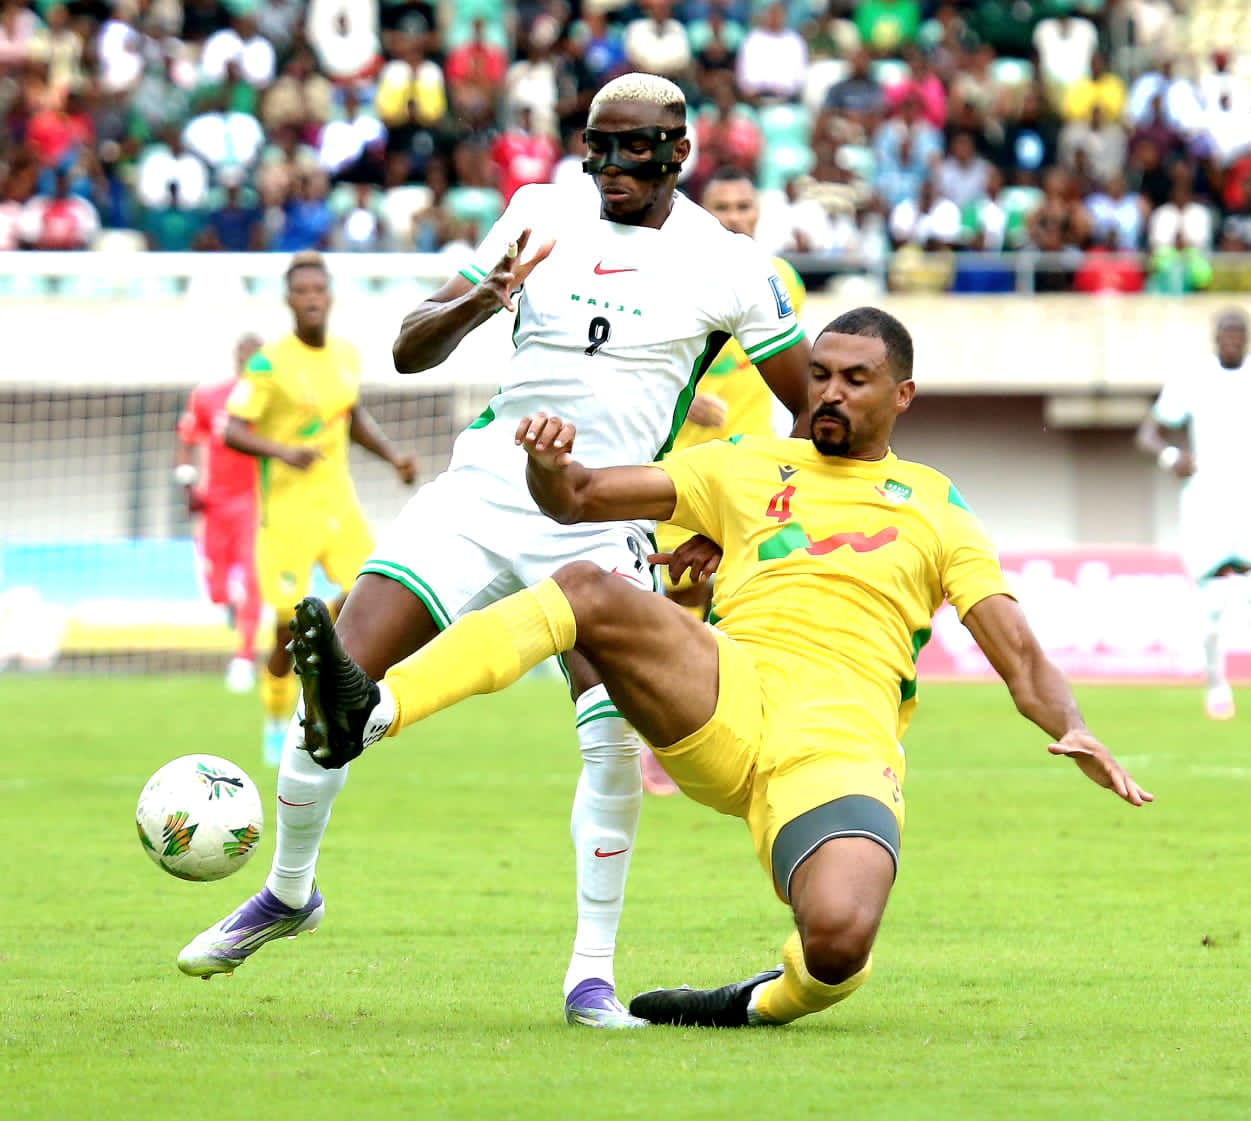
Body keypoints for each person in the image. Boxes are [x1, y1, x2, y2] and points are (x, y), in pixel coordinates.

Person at [282, 305, 1152, 1030]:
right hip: (727, 691)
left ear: (902, 394)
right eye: (820, 375)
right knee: (587, 584)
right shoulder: (743, 464)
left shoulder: (937, 506)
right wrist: (548, 468)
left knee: (839, 940)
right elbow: (579, 499)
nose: (830, 392)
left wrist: (1070, 724)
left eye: (855, 379)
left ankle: (756, 1002)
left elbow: (1017, 652)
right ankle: (374, 707)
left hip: (841, 748)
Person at [177, 73, 812, 1031]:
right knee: (335, 678)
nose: (610, 168)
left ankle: (589, 979)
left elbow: (806, 412)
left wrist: (724, 523)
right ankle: (289, 891)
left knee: (610, 742)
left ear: (678, 152)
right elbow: (409, 348)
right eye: (595, 147)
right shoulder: (537, 212)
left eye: (633, 149)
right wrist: (484, 295)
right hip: (480, 491)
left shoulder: (729, 266)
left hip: (599, 518)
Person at [643, 164, 807, 796]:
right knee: (677, 604)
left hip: (751, 473)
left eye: (744, 206)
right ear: (700, 211)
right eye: (723, 207)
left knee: (748, 604)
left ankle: (745, 737)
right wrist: (688, 402)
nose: (735, 217)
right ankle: (659, 737)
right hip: (677, 474)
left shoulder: (781, 279)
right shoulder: (671, 276)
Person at [221, 251, 418, 764]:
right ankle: (274, 719)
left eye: (318, 290)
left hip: (338, 507)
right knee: (284, 629)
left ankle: (326, 647)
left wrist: (393, 456)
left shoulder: (346, 356)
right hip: (286, 516)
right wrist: (283, 451)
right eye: (301, 291)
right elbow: (232, 430)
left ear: (330, 297)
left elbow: (351, 419)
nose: (311, 299)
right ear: (289, 300)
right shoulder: (268, 363)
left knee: (373, 592)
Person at [1136, 309, 1251, 720]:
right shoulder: (1194, 379)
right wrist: (1172, 457)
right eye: (1226, 334)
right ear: (1216, 338)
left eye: (1239, 334)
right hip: (1209, 503)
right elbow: (1148, 433)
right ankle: (1217, 685)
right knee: (1214, 601)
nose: (1232, 340)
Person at [174, 332, 265, 693]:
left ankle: (243, 659)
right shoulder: (209, 396)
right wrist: (187, 483)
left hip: (254, 502)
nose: (249, 359)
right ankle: (230, 607)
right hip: (214, 502)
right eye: (244, 352)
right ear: (236, 356)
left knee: (254, 579)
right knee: (215, 587)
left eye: (256, 354)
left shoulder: (271, 401)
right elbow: (186, 440)